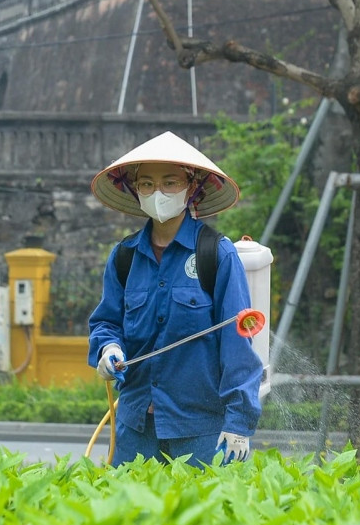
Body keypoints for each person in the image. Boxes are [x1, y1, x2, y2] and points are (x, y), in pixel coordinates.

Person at [87, 132, 262, 466]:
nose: (158, 193)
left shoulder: (216, 254)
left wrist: (240, 422)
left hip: (201, 431)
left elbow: (238, 341)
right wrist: (108, 349)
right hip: (135, 428)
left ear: (191, 186)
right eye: (148, 184)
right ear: (135, 189)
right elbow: (107, 322)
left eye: (170, 183)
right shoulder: (124, 257)